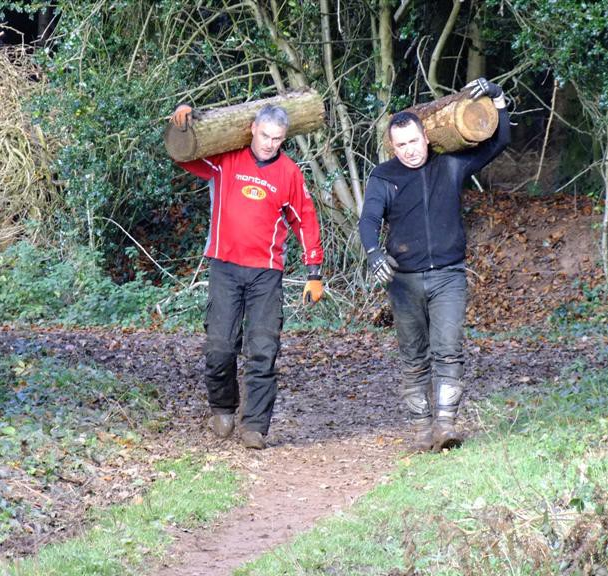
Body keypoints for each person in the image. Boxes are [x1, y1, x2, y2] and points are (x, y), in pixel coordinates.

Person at [358, 78, 510, 452]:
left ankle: (445, 425)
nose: (410, 151)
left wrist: (497, 97)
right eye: (401, 145)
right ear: (392, 147)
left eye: (414, 141)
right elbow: (369, 219)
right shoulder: (384, 176)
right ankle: (421, 429)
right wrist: (374, 253)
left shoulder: (450, 165)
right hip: (404, 281)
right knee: (413, 356)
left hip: (448, 275)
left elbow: (499, 142)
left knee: (449, 349)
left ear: (426, 137)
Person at [170, 102, 324, 450]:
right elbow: (184, 157)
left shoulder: (288, 173)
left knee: (263, 350)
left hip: (265, 274)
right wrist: (182, 125)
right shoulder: (227, 160)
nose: (270, 144)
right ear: (253, 128)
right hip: (225, 266)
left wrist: (314, 270)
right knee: (220, 347)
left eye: (278, 138)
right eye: (266, 135)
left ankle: (255, 425)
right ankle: (223, 407)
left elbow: (305, 219)